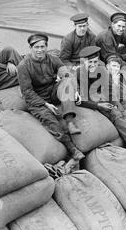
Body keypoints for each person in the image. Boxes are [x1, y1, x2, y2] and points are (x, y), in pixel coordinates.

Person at [17, 33, 84, 166]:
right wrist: (45, 104)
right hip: (36, 98)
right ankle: (73, 149)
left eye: (43, 46)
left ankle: (70, 122)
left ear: (46, 46)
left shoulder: (53, 59)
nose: (40, 50)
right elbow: (27, 92)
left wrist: (74, 89)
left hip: (52, 90)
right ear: (30, 48)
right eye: (36, 47)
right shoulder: (23, 66)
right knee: (50, 120)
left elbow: (66, 74)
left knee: (67, 84)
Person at [75, 46, 126, 152]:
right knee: (115, 114)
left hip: (102, 98)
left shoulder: (103, 71)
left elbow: (110, 93)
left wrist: (120, 108)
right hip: (91, 101)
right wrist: (98, 105)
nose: (93, 65)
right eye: (90, 62)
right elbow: (78, 99)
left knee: (124, 115)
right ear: (83, 62)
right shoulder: (79, 74)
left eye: (95, 62)